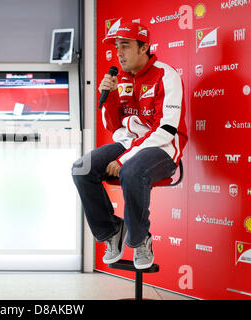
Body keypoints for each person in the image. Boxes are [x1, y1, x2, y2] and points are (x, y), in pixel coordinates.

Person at [72, 22, 187, 269]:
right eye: (116, 47)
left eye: (125, 45)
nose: (119, 53)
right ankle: (112, 230)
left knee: (131, 170)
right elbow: (113, 126)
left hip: (162, 148)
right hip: (128, 143)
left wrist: (124, 159)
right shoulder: (119, 77)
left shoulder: (166, 75)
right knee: (82, 168)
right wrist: (110, 95)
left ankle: (139, 239)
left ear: (144, 47)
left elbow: (166, 130)